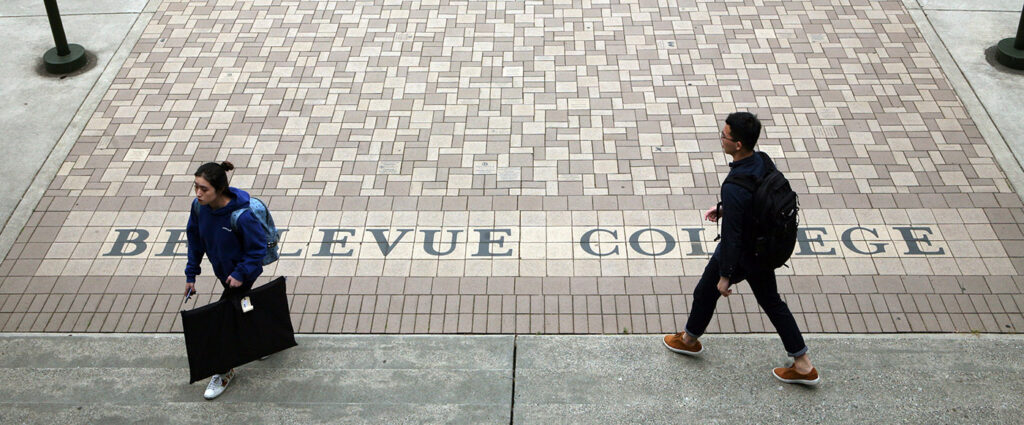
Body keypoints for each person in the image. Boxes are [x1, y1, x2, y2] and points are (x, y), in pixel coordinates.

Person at [662, 112, 820, 385]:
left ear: (737, 145)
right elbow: (758, 200)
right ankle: (803, 362)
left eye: (724, 136)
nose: (721, 139)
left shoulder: (734, 186)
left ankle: (688, 340)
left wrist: (726, 275)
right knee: (772, 302)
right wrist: (725, 209)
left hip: (746, 251)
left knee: (706, 289)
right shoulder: (763, 161)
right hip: (766, 247)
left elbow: (732, 236)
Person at [185, 161, 268, 399]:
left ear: (219, 190)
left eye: (204, 189)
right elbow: (195, 239)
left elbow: (257, 249)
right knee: (242, 309)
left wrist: (241, 273)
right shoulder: (199, 208)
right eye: (196, 187)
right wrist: (191, 274)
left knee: (222, 321)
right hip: (225, 273)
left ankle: (223, 371)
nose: (198, 193)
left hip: (242, 276)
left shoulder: (241, 217)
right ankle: (265, 340)